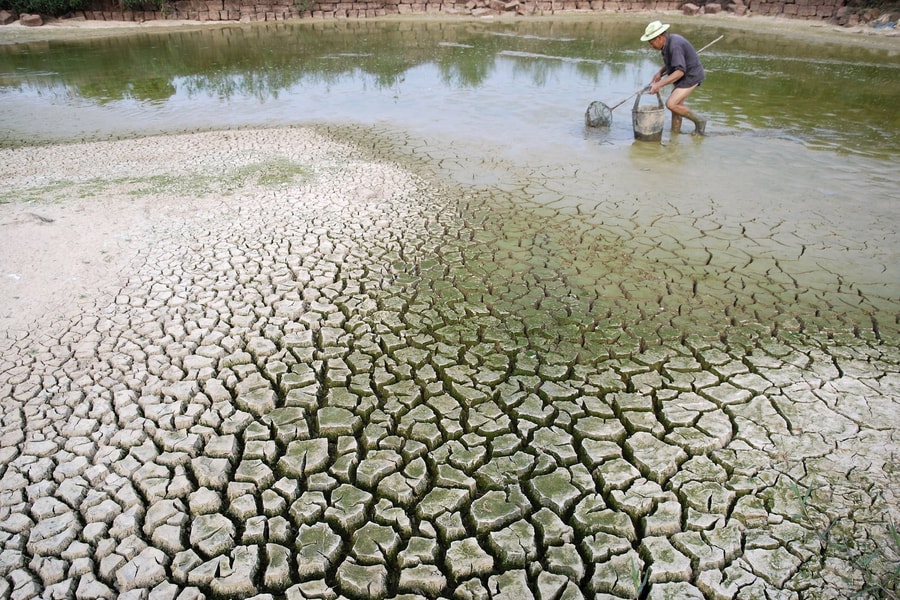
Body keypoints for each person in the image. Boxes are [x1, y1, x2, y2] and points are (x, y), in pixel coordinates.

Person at [641, 21, 707, 136]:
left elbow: (680, 72)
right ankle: (675, 135)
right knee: (676, 106)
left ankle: (699, 121)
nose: (651, 46)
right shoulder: (667, 44)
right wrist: (660, 72)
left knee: (671, 104)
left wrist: (659, 85)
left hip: (691, 76)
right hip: (684, 75)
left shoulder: (674, 45)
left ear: (660, 38)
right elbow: (673, 63)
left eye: (652, 43)